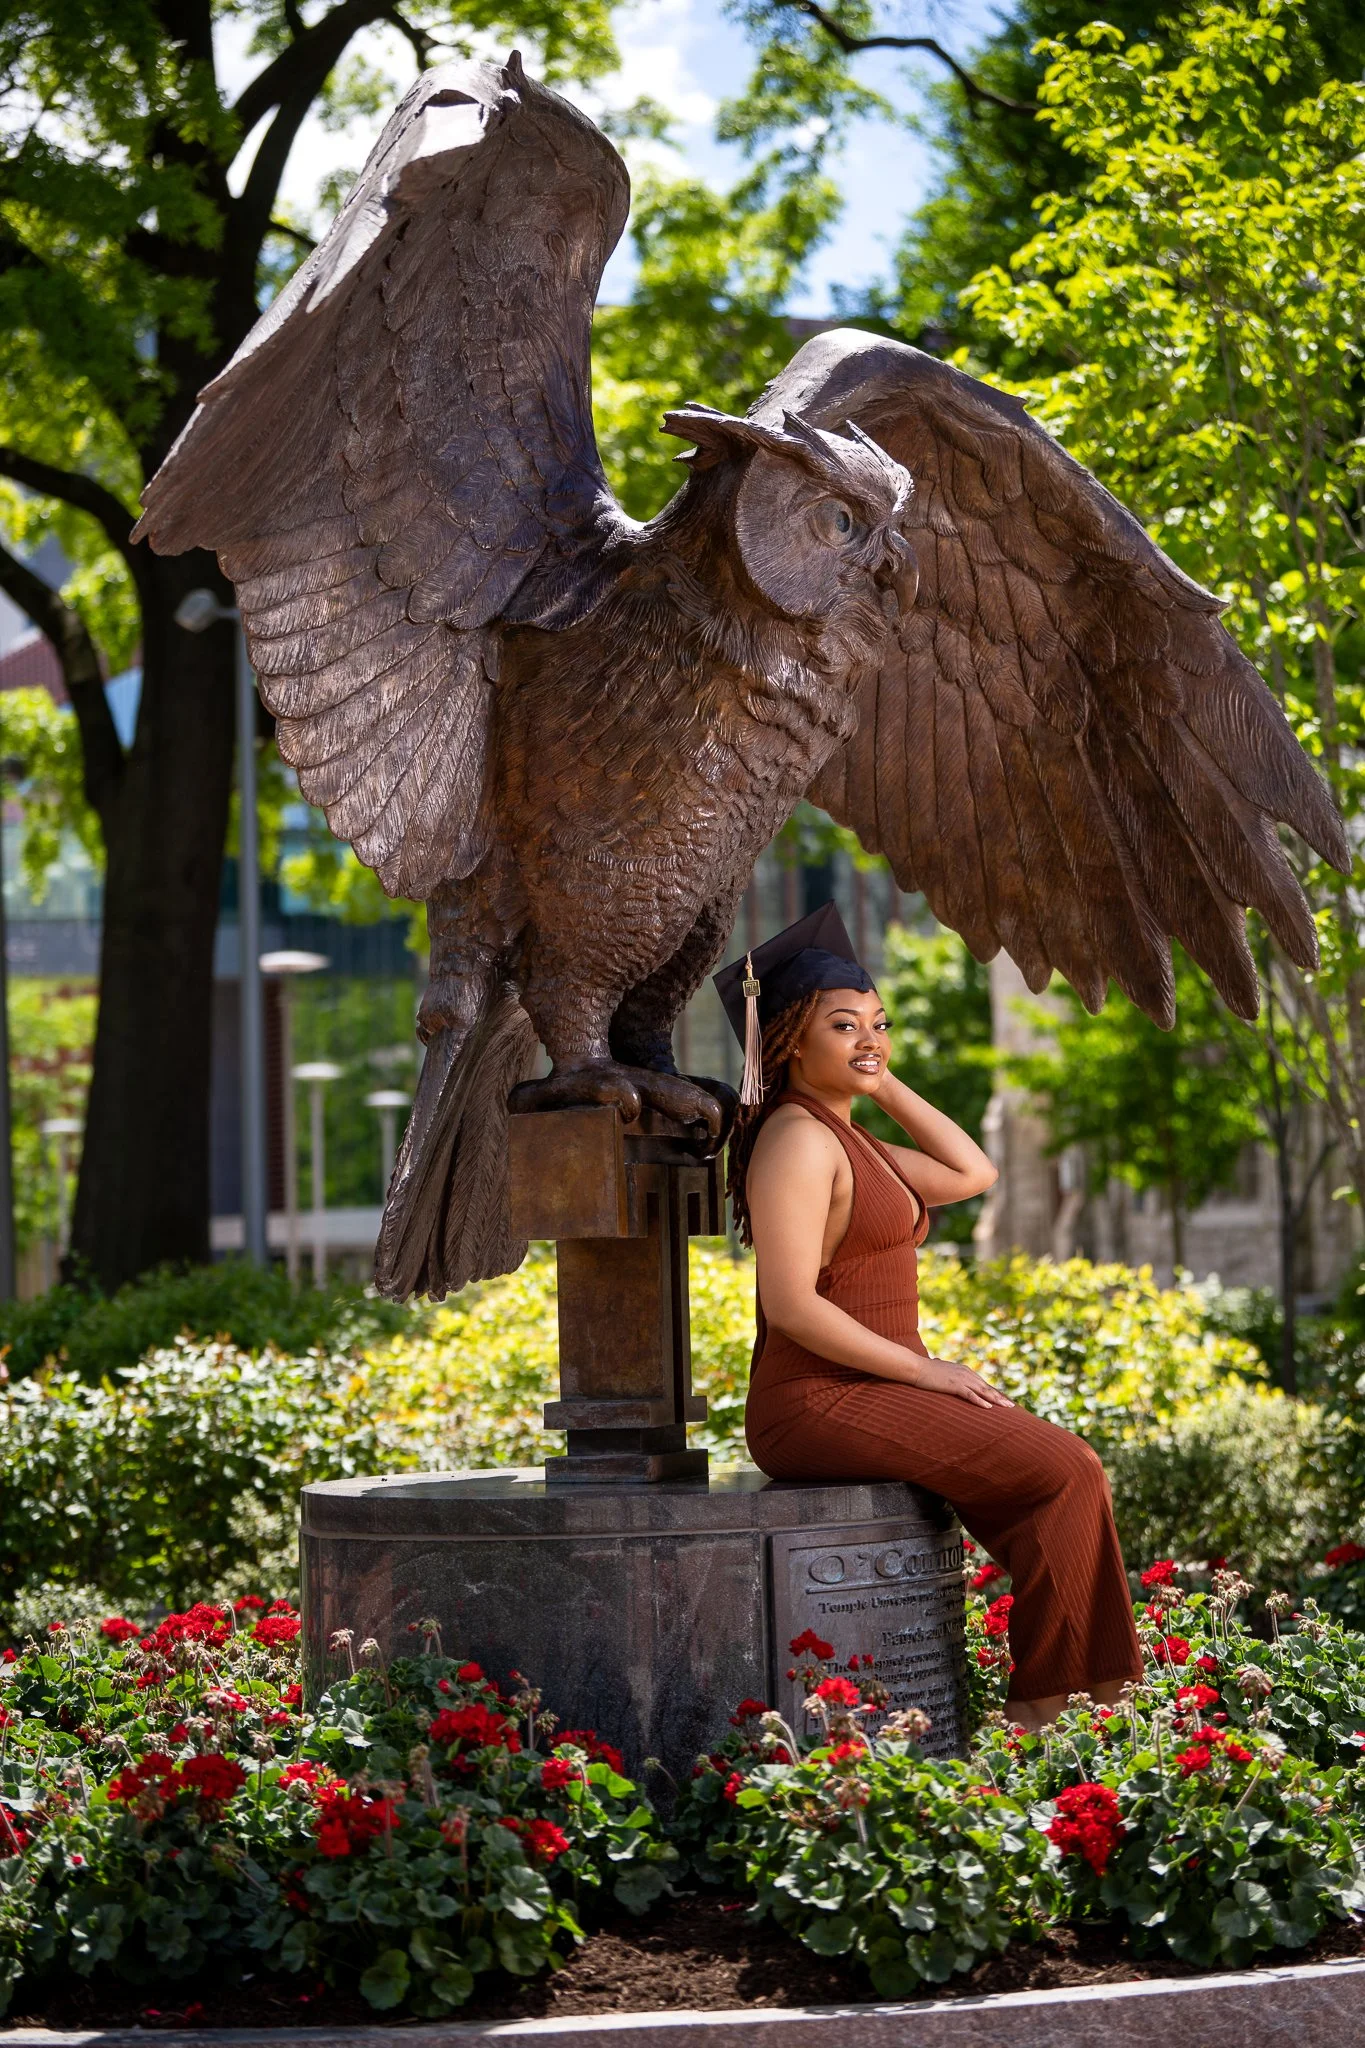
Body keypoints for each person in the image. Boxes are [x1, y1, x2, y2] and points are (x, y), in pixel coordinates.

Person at [713, 905, 1142, 1732]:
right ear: (790, 1041)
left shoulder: (853, 1138)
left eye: (879, 1024)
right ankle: (1045, 1715)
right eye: (843, 1027)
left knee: (1056, 1483)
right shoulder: (796, 1142)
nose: (868, 1038)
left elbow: (971, 1169)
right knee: (1065, 1469)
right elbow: (791, 1305)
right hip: (815, 1398)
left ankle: (1081, 1706)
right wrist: (927, 1371)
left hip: (874, 1385)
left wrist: (877, 1077)